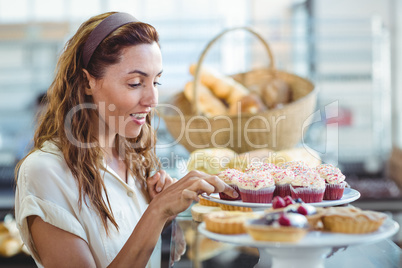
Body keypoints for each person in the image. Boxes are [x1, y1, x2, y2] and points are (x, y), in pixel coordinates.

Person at [14, 12, 238, 268]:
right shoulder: (45, 172)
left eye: (156, 81)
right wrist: (157, 213)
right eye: (135, 83)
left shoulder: (135, 162)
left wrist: (166, 221)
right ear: (88, 82)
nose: (153, 100)